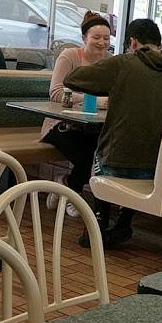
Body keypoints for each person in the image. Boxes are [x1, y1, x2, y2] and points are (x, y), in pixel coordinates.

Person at [64, 19, 162, 247]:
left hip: (118, 161)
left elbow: (72, 79)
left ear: (133, 42)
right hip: (160, 164)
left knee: (100, 155)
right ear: (159, 44)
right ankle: (123, 222)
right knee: (133, 161)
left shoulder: (123, 64)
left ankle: (98, 223)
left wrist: (110, 82)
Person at [41, 12, 112, 218]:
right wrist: (95, 100)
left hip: (94, 126)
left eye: (106, 38)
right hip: (61, 125)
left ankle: (66, 185)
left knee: (102, 155)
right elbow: (55, 93)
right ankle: (72, 191)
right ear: (84, 38)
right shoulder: (70, 56)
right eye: (96, 37)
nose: (102, 43)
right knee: (88, 157)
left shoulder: (110, 62)